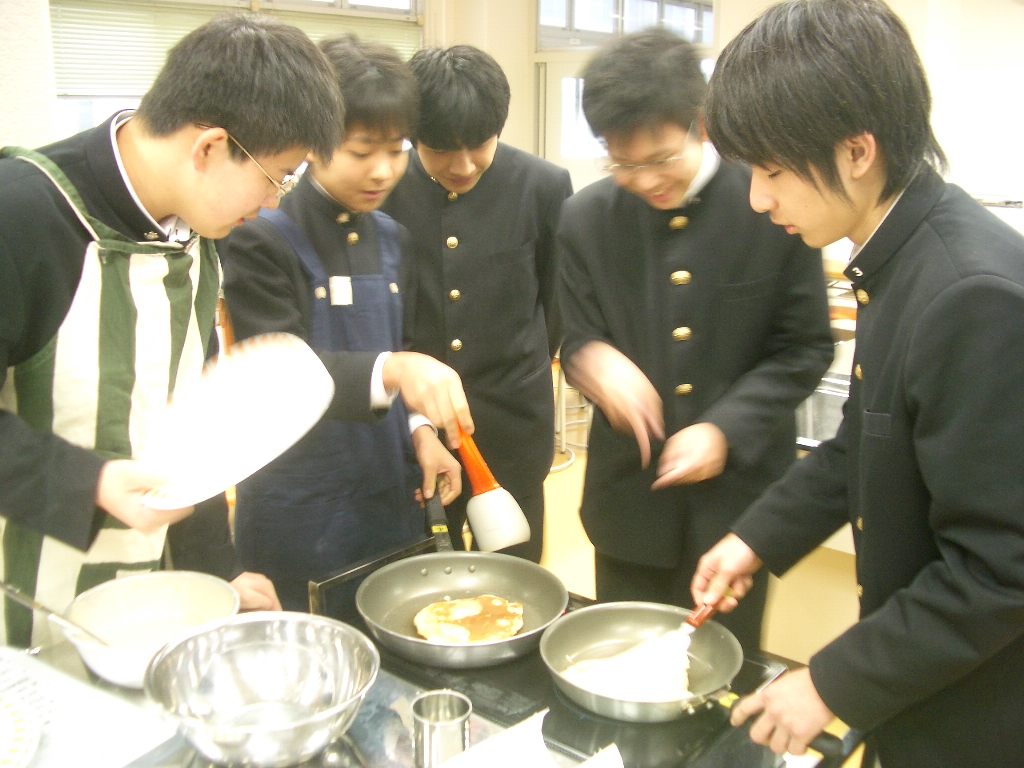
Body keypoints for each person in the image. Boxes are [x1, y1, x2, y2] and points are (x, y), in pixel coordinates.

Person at [0, 15, 469, 647]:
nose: (275, 202)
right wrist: (93, 483)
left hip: (152, 602)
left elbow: (197, 433)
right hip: (31, 606)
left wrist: (219, 574)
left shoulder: (194, 233)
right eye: (278, 177)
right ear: (210, 148)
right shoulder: (22, 215)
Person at [691, 2, 1024, 766]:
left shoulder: (970, 294)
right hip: (922, 692)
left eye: (772, 171)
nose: (757, 198)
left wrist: (830, 682)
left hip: (978, 717)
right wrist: (755, 539)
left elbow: (1002, 566)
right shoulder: (897, 255)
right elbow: (865, 443)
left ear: (856, 151)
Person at [555, 29, 833, 655]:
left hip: (736, 513)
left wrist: (724, 429)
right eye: (623, 164)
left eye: (661, 157)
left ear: (701, 125)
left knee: (722, 670)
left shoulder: (769, 203)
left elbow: (805, 347)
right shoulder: (585, 219)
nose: (645, 179)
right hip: (629, 506)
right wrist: (591, 360)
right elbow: (576, 336)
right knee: (621, 663)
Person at [218, 35, 464, 611]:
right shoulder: (260, 235)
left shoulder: (393, 238)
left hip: (385, 492)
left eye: (398, 150)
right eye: (360, 151)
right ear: (312, 145)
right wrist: (396, 369)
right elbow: (276, 371)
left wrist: (421, 432)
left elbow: (399, 344)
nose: (383, 171)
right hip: (298, 504)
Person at [383, 46, 573, 563]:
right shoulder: (386, 190)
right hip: (414, 430)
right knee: (425, 574)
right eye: (442, 149)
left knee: (517, 577)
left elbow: (555, 303)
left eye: (480, 146)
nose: (463, 166)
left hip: (514, 427)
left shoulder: (543, 185)